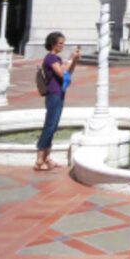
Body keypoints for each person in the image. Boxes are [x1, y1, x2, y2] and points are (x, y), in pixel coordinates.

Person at [35, 32, 80, 170]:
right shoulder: (50, 58)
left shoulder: (58, 59)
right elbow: (60, 73)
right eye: (60, 43)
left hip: (60, 93)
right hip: (53, 94)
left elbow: (67, 74)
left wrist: (74, 61)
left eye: (63, 43)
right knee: (49, 126)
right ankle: (39, 160)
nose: (62, 45)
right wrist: (70, 60)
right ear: (53, 44)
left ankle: (47, 157)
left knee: (53, 127)